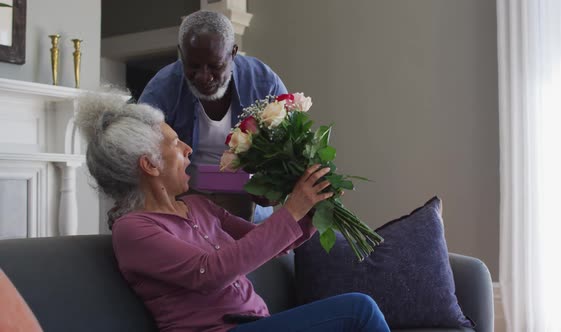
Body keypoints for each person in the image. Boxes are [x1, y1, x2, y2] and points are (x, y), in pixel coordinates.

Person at [75, 93, 390, 332]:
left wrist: (312, 206)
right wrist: (293, 207)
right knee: (359, 311)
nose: (187, 149)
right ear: (149, 164)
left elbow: (269, 242)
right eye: (174, 143)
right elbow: (210, 273)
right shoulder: (133, 231)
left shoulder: (198, 206)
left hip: (256, 323)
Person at [138, 10, 286, 222]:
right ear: (181, 53)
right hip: (184, 196)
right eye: (193, 66)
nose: (203, 76)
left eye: (215, 66)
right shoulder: (162, 88)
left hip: (248, 198)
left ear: (233, 53)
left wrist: (274, 187)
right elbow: (137, 151)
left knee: (251, 248)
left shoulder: (264, 82)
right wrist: (129, 199)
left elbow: (288, 147)